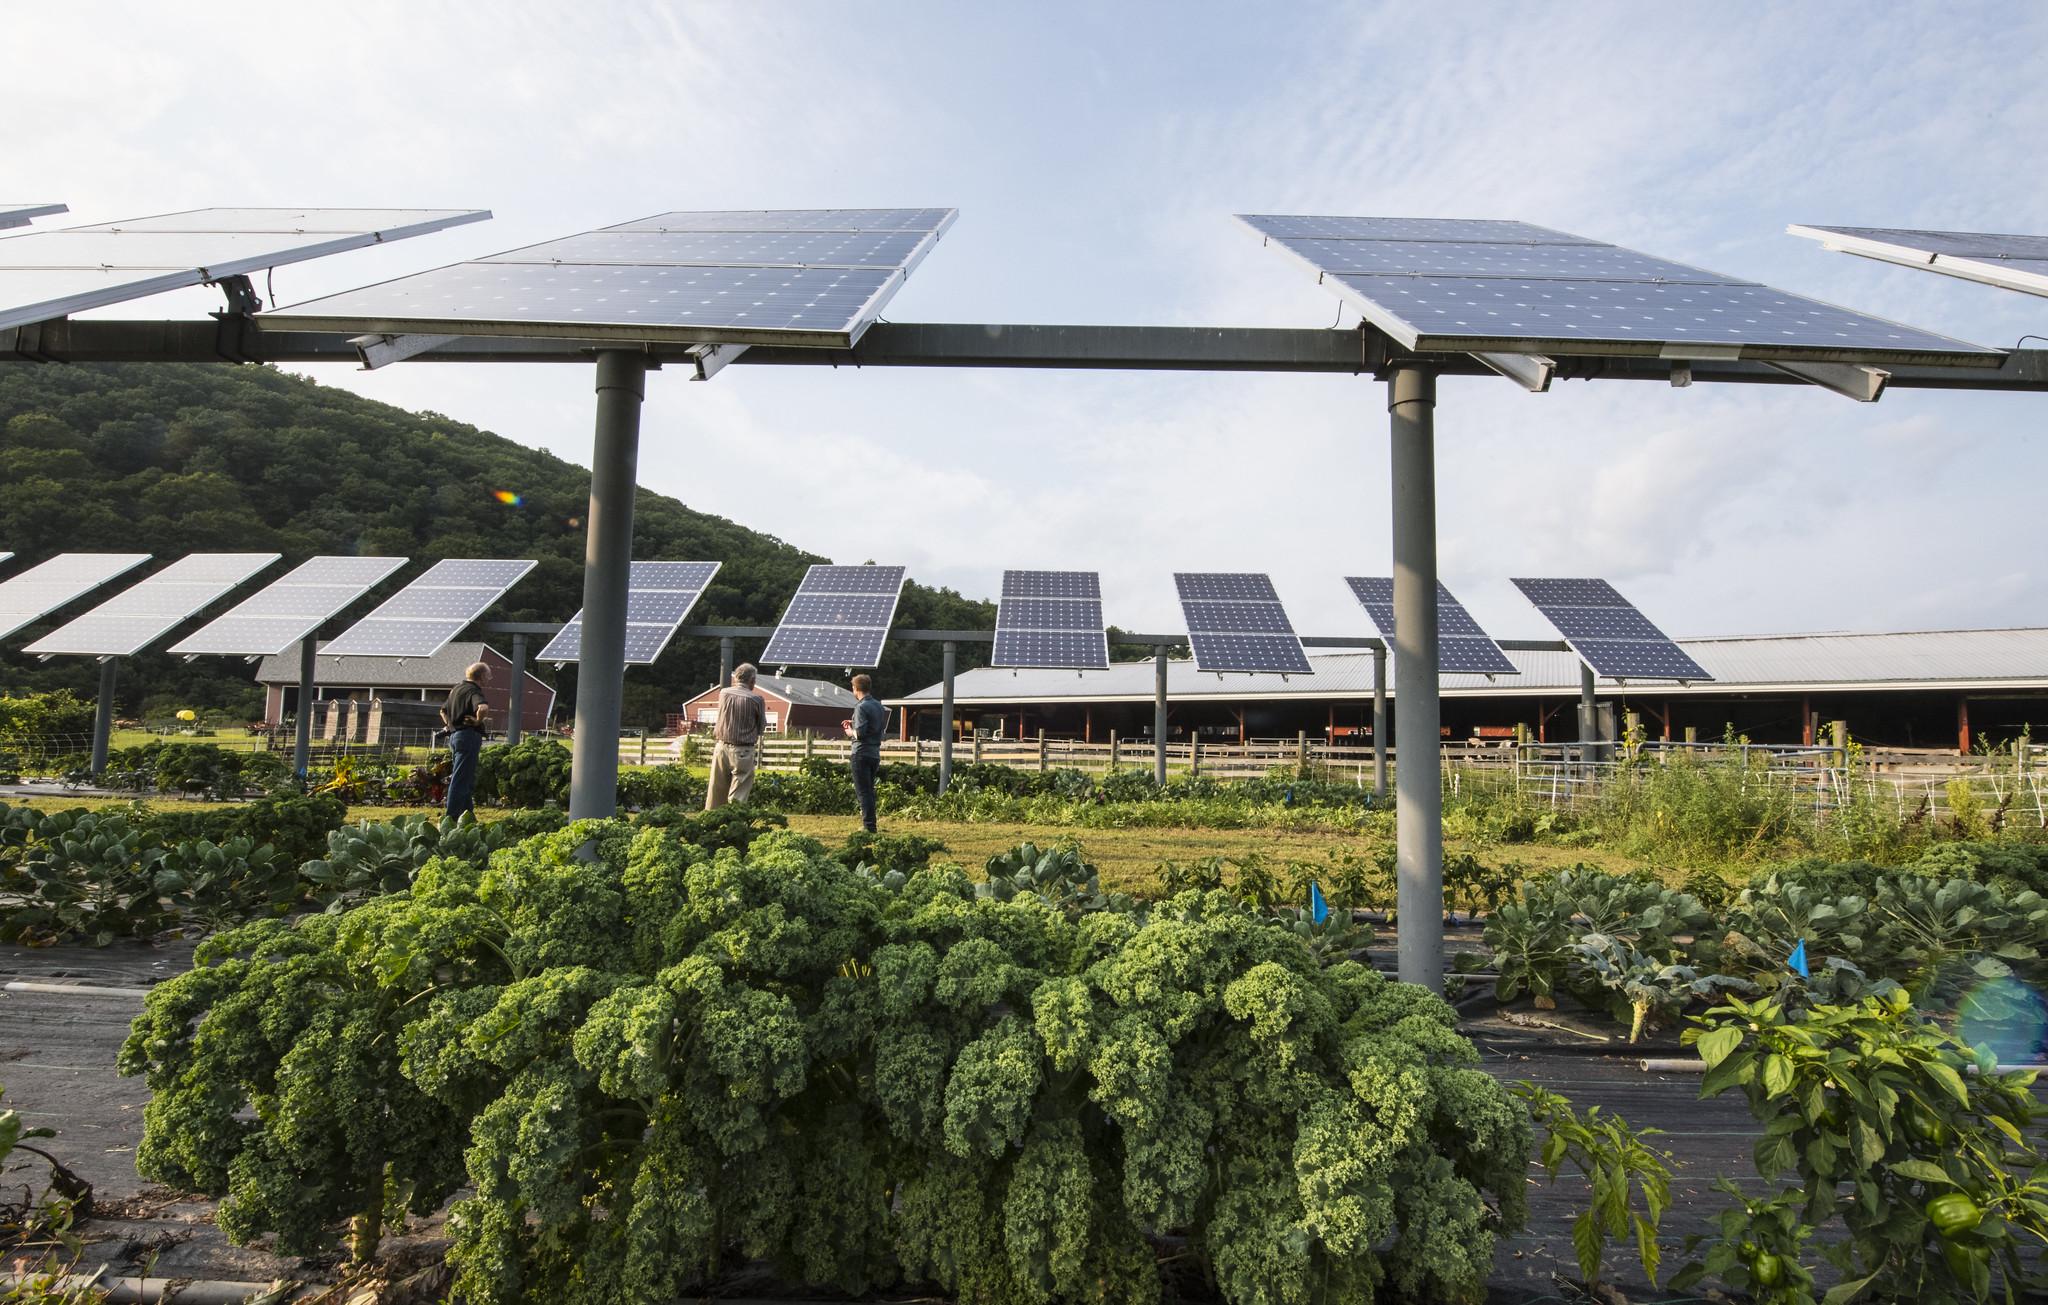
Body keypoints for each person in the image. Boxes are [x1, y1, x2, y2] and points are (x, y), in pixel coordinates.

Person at [704, 662, 768, 809]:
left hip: (721, 746)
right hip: (742, 750)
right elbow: (761, 727)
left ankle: (710, 822)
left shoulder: (723, 693)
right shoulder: (756, 699)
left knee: (716, 790)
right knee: (739, 791)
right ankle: (733, 822)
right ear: (752, 680)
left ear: (736, 677)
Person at [440, 661, 491, 822]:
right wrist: (477, 721)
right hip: (468, 736)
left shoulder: (456, 689)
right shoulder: (473, 690)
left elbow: (442, 710)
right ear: (481, 676)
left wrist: (449, 725)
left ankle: (468, 817)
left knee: (465, 778)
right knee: (461, 779)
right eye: (488, 675)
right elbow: (482, 708)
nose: (490, 678)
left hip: (455, 736)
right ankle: (451, 817)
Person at [843, 673, 889, 833]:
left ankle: (869, 827)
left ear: (855, 688)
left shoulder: (861, 706)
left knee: (863, 791)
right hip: (874, 753)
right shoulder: (878, 705)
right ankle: (871, 823)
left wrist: (850, 731)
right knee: (869, 790)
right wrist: (855, 723)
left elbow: (860, 733)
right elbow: (873, 727)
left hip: (861, 753)